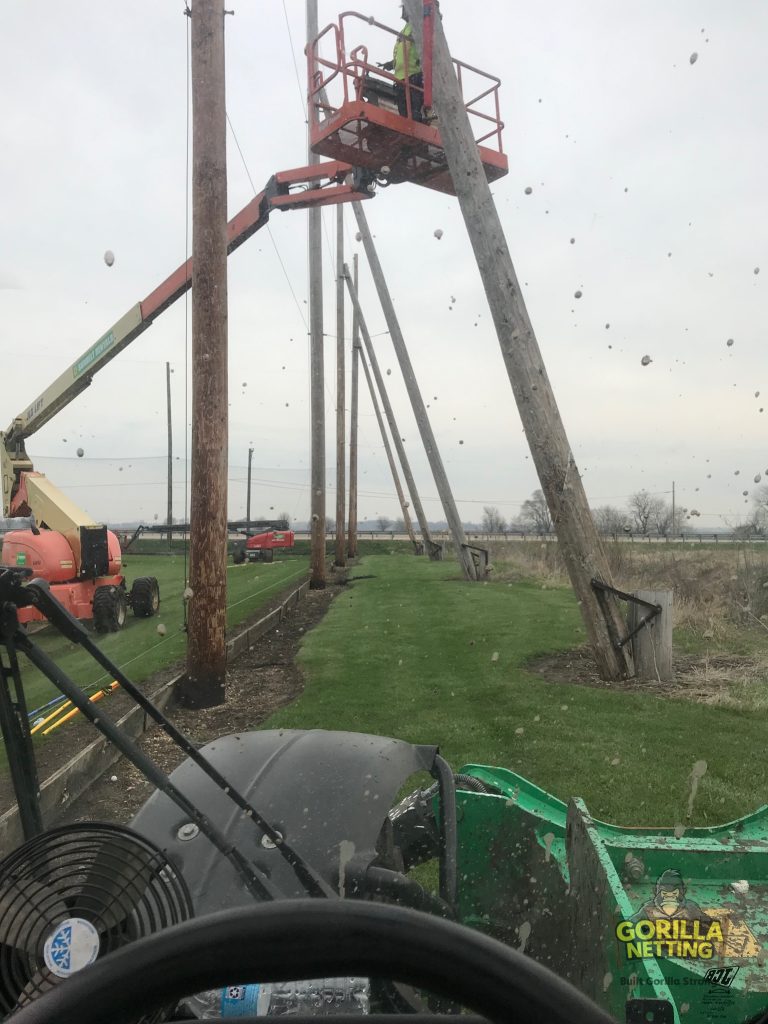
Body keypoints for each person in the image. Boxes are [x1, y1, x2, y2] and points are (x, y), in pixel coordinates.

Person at [379, 5, 424, 122]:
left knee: (415, 111)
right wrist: (390, 64)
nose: (403, 12)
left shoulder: (418, 25)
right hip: (400, 78)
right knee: (404, 114)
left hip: (414, 74)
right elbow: (401, 54)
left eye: (405, 7)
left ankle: (419, 122)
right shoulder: (402, 32)